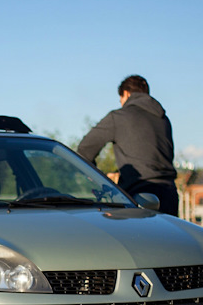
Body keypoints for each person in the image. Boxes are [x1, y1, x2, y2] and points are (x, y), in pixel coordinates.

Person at [77, 75, 179, 216]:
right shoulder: (163, 119)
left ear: (126, 94)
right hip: (169, 195)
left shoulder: (119, 117)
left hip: (138, 196)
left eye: (121, 100)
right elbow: (151, 158)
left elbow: (85, 149)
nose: (121, 104)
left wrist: (99, 180)